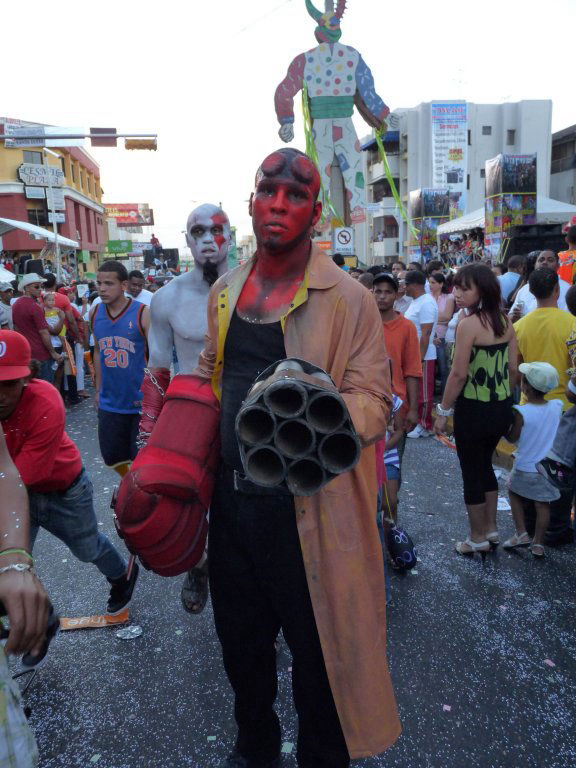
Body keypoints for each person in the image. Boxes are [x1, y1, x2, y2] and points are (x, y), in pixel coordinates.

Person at [159, 148, 400, 765]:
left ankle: (320, 754)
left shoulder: (349, 299)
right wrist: (170, 460)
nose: (279, 205)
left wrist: (316, 416)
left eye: (296, 196)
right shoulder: (227, 290)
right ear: (252, 202)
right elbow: (209, 376)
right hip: (235, 515)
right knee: (241, 650)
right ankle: (255, 747)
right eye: (269, 191)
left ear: (315, 213)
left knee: (320, 662)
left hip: (312, 518)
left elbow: (375, 396)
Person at [0, 330, 138, 614]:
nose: (0, 394)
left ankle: (122, 576)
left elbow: (24, 477)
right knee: (9, 561)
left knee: (88, 550)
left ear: (28, 377)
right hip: (15, 490)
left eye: (9, 384)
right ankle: (28, 616)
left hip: (64, 492)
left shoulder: (46, 402)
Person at [141, 203, 232, 615]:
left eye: (217, 230)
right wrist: (148, 438)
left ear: (230, 234)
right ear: (187, 240)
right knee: (185, 499)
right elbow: (158, 370)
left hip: (246, 413)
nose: (209, 240)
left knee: (250, 507)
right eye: (198, 232)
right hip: (191, 415)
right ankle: (199, 563)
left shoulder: (258, 288)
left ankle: (253, 595)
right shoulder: (167, 299)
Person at [434, 263, 517, 554]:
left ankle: (476, 537)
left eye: (464, 288)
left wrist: (443, 412)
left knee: (471, 470)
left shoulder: (468, 325)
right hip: (500, 406)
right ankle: (491, 529)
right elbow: (513, 370)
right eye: (455, 286)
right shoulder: (506, 321)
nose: (456, 293)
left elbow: (458, 375)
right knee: (485, 465)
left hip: (474, 409)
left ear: (483, 290)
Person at [91, 261, 150, 478]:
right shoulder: (95, 313)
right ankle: (129, 484)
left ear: (123, 285)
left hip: (140, 403)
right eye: (99, 283)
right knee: (112, 457)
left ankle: (137, 493)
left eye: (108, 283)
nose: (102, 288)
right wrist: (97, 390)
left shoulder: (142, 313)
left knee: (142, 458)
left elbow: (157, 358)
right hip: (110, 402)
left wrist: (156, 397)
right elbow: (97, 350)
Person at [503, 363, 563, 557]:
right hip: (549, 467)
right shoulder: (557, 406)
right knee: (542, 504)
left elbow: (512, 438)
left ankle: (521, 533)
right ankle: (538, 543)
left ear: (526, 387)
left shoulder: (521, 412)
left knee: (513, 493)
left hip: (525, 466)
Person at [514, 268, 573, 409]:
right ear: (557, 290)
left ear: (531, 291)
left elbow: (515, 370)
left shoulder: (517, 327)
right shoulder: (573, 324)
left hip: (529, 404)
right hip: (564, 405)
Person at [537, 284, 576, 490]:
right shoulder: (570, 326)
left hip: (557, 401)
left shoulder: (574, 329)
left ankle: (559, 459)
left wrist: (572, 388)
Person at [372, 272, 421, 434]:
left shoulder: (407, 327)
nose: (382, 297)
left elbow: (412, 371)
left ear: (396, 295)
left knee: (394, 458)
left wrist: (413, 409)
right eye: (378, 291)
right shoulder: (362, 324)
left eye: (388, 292)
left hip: (397, 405)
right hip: (366, 403)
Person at [404, 270, 438, 437]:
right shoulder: (416, 301)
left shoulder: (426, 303)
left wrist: (420, 357)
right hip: (413, 354)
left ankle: (425, 425)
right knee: (414, 391)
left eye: (406, 284)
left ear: (414, 285)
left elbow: (426, 333)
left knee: (424, 393)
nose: (404, 287)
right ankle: (417, 422)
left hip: (424, 355)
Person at [12, 274, 63, 383]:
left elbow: (16, 329)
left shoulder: (16, 305)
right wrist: (53, 352)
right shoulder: (35, 307)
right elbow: (44, 332)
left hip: (26, 355)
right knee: (45, 388)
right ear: (26, 288)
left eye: (41, 287)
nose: (40, 290)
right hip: (41, 355)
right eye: (36, 287)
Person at [509, 250, 571, 319]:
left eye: (550, 260)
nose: (544, 262)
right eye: (541, 260)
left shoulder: (568, 289)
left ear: (558, 266)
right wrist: (514, 316)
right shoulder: (524, 290)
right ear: (535, 265)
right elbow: (511, 315)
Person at [429, 271, 455, 396]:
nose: (430, 285)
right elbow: (443, 317)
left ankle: (445, 395)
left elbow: (448, 316)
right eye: (429, 282)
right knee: (430, 368)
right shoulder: (428, 297)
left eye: (433, 283)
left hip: (442, 336)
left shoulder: (449, 297)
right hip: (429, 336)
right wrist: (441, 319)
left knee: (444, 368)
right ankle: (431, 392)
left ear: (440, 284)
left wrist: (432, 318)